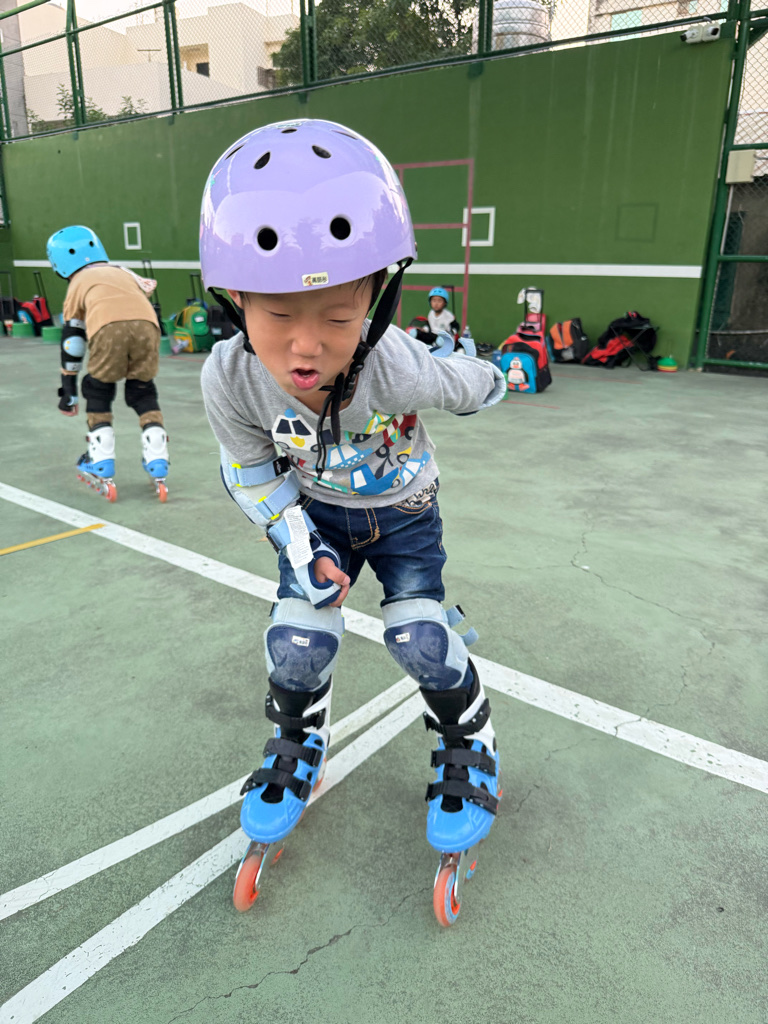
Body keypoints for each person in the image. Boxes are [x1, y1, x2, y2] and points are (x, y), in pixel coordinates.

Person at [199, 119, 506, 922]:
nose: (306, 347)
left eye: (338, 318)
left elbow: (452, 384)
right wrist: (302, 548)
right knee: (297, 640)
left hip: (404, 513)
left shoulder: (391, 362)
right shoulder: (229, 379)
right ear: (235, 301)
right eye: (277, 316)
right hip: (315, 513)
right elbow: (251, 473)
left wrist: (498, 377)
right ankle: (300, 739)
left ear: (377, 299)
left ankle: (470, 740)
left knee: (420, 637)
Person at [47, 225, 170, 501]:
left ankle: (101, 461)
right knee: (142, 390)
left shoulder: (78, 282)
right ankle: (158, 459)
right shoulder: (122, 271)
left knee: (98, 389)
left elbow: (73, 341)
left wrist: (68, 389)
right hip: (148, 326)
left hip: (108, 327)